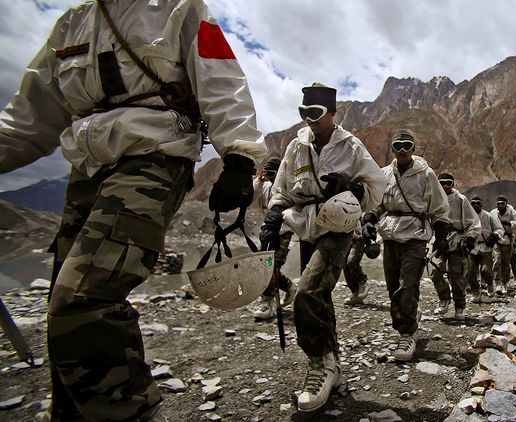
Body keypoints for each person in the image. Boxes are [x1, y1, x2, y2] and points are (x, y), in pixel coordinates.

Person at [0, 2, 266, 420]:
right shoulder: (72, 23)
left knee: (83, 297)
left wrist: (239, 156)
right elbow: (27, 124)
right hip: (86, 165)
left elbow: (221, 80)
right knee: (61, 305)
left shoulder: (180, 8)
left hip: (155, 153)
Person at [259, 83, 386, 413]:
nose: (309, 120)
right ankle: (333, 361)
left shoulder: (351, 146)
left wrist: (354, 189)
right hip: (305, 224)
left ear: (332, 113)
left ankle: (319, 363)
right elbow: (283, 188)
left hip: (339, 224)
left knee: (307, 292)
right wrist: (274, 215)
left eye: (315, 114)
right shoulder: (296, 147)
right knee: (320, 295)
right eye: (303, 114)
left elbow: (375, 185)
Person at [363, 129, 450, 361]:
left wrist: (441, 234)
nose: (402, 150)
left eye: (406, 146)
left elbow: (438, 206)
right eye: (397, 145)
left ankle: (407, 333)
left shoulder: (426, 174)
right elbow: (377, 203)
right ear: (392, 148)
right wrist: (370, 218)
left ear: (413, 149)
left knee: (407, 285)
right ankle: (410, 315)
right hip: (390, 235)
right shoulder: (384, 174)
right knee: (393, 288)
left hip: (415, 236)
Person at [430, 172, 481, 320]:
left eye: (448, 183)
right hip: (438, 239)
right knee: (435, 271)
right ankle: (444, 299)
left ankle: (459, 306)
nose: (445, 186)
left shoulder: (461, 199)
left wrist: (470, 238)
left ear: (453, 184)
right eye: (441, 183)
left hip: (456, 240)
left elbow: (473, 221)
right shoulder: (433, 198)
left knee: (457, 276)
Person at [252, 157, 298, 320]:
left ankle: (267, 302)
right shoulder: (264, 186)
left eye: (273, 173)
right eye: (268, 173)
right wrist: (258, 181)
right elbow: (252, 202)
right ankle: (289, 286)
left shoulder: (287, 186)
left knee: (270, 266)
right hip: (267, 231)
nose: (270, 177)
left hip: (283, 232)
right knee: (265, 265)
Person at [466, 196, 502, 303]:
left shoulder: (488, 216)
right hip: (472, 247)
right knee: (470, 271)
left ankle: (490, 284)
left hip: (486, 247)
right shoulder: (467, 216)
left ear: (481, 205)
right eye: (473, 203)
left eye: (478, 203)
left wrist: (495, 236)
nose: (475, 205)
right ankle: (476, 292)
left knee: (486, 270)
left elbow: (499, 228)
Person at [490, 195, 516, 291]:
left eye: (502, 203)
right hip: (497, 240)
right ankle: (497, 283)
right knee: (496, 261)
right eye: (498, 204)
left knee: (505, 263)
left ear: (506, 204)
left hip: (508, 240)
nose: (500, 205)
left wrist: (510, 224)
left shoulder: (511, 211)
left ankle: (505, 282)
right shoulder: (493, 213)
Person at [342, 215, 376, 306]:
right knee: (344, 264)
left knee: (351, 261)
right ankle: (355, 292)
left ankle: (362, 281)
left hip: (359, 236)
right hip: (346, 234)